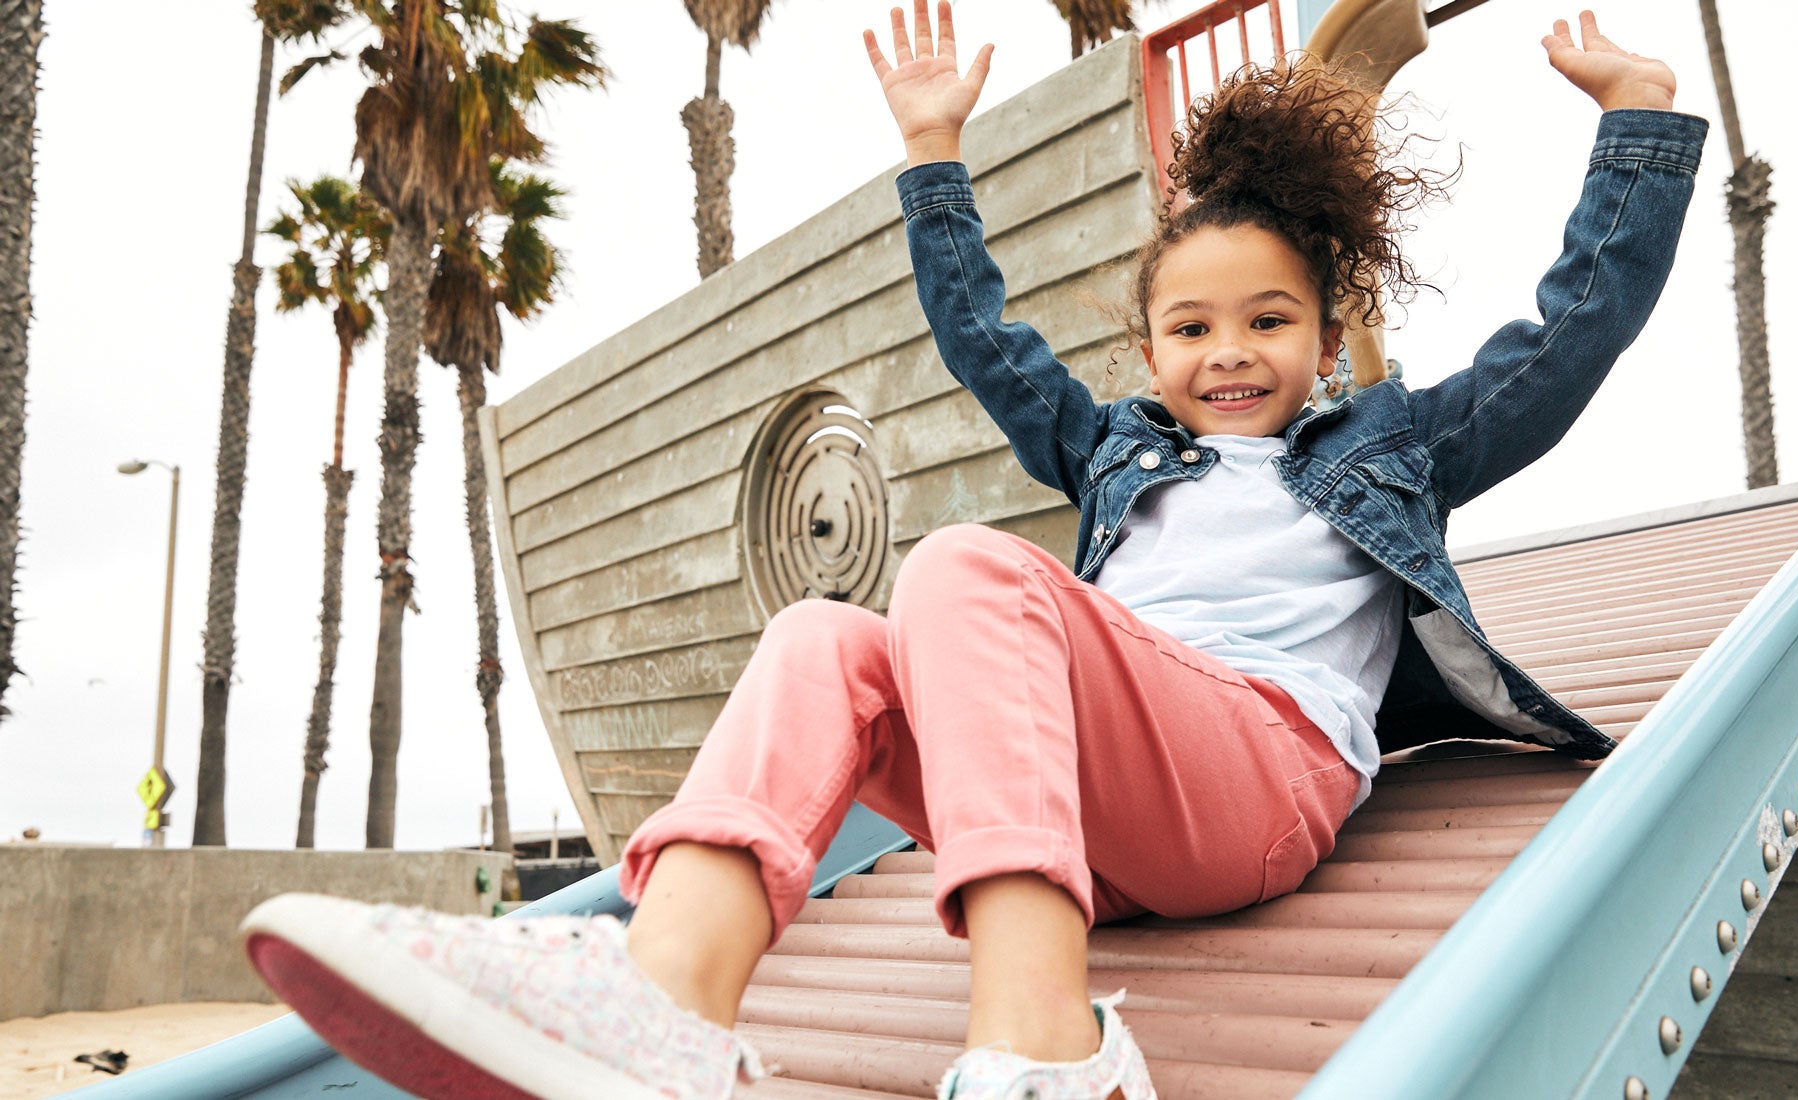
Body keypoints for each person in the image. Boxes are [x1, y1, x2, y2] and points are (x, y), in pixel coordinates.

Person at [237, 5, 1706, 1099]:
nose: (1232, 351)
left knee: (960, 569)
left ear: (1328, 343)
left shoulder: (1396, 449)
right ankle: (667, 994)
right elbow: (988, 347)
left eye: (1269, 321)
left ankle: (1040, 1044)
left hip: (1258, 784)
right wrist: (934, 155)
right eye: (1193, 328)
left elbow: (1573, 328)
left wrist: (1634, 121)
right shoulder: (1118, 451)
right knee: (827, 638)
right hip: (1094, 819)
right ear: (1149, 347)